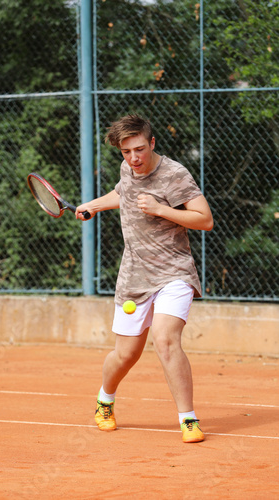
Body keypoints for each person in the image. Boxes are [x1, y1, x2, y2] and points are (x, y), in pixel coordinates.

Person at [75, 114, 213, 443]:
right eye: (126, 152)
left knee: (166, 340)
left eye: (139, 149)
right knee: (126, 354)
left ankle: (188, 419)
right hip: (134, 277)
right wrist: (92, 205)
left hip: (173, 272)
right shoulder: (129, 169)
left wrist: (161, 208)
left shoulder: (175, 174)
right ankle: (104, 400)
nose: (134, 158)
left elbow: (204, 219)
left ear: (152, 143)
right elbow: (123, 194)